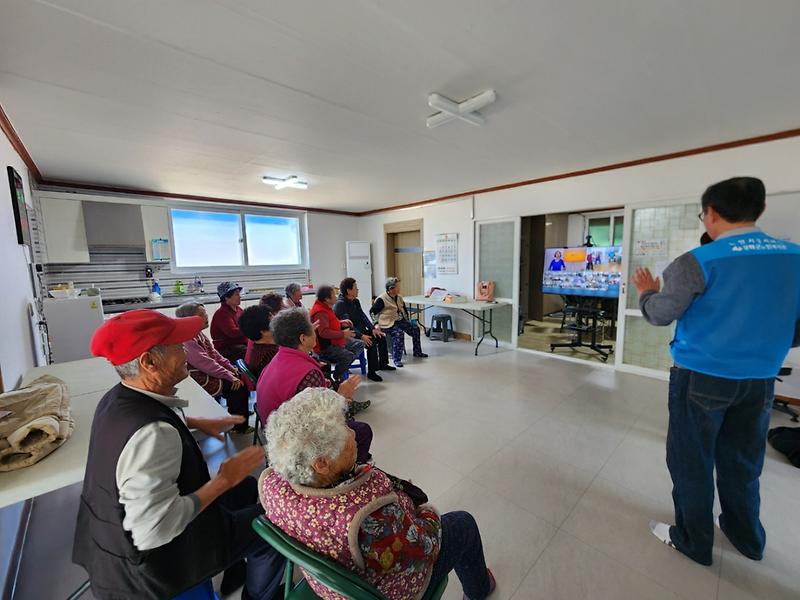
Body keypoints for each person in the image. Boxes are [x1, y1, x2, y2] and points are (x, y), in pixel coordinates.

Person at [632, 177, 800, 566]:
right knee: (742, 461)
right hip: (759, 380)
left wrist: (646, 291)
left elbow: (659, 314)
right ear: (757, 210)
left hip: (701, 377)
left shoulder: (697, 262)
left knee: (691, 460)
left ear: (710, 213)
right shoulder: (794, 256)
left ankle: (693, 539)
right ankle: (746, 538)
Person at [73, 309, 285, 600]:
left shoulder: (116, 399)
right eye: (176, 346)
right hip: (154, 564)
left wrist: (193, 423)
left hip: (111, 536)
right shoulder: (154, 434)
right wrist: (223, 480)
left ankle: (233, 564)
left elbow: (142, 432)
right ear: (149, 362)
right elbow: (156, 530)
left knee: (247, 488)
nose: (186, 351)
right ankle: (259, 595)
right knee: (274, 526)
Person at [260, 389, 496, 600]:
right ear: (321, 464)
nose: (353, 434)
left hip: (328, 585)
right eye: (344, 431)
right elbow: (425, 549)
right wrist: (427, 514)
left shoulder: (272, 486)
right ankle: (479, 590)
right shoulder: (369, 516)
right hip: (391, 590)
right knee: (463, 524)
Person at [256, 307, 372, 462]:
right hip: (295, 444)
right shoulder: (308, 373)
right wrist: (341, 396)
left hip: (275, 431)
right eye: (311, 327)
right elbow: (319, 422)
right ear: (303, 339)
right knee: (363, 431)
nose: (315, 329)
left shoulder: (277, 358)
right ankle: (348, 473)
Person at [176, 302, 252, 434]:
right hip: (199, 378)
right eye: (201, 314)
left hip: (207, 371)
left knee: (238, 374)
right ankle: (238, 426)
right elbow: (205, 363)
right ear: (188, 318)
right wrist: (229, 375)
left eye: (205, 313)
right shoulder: (187, 338)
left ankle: (238, 412)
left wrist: (230, 367)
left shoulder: (198, 333)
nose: (206, 317)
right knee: (238, 386)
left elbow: (214, 354)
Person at [334, 277, 394, 382]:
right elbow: (348, 325)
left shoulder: (356, 301)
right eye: (356, 288)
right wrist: (361, 336)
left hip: (361, 330)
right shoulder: (340, 304)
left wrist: (373, 328)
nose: (358, 290)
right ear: (348, 291)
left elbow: (363, 316)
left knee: (380, 336)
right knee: (371, 342)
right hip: (351, 334)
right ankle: (372, 372)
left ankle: (383, 364)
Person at [310, 285, 365, 381]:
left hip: (335, 339)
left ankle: (344, 365)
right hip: (326, 346)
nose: (336, 296)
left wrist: (341, 323)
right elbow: (323, 332)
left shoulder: (326, 307)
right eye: (333, 295)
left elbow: (329, 323)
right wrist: (343, 334)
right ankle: (337, 374)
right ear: (327, 299)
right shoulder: (320, 312)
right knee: (348, 356)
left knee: (360, 344)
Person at [371, 277, 428, 368]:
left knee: (415, 329)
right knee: (398, 333)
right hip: (386, 323)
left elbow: (404, 310)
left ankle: (417, 352)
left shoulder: (399, 297)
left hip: (399, 320)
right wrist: (375, 324)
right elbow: (372, 312)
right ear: (391, 289)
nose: (399, 289)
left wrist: (408, 321)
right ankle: (396, 359)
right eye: (397, 287)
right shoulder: (382, 299)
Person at [239, 304, 279, 380]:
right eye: (271, 317)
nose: (275, 318)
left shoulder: (258, 348)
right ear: (263, 331)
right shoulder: (270, 356)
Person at [210, 281, 248, 362]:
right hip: (227, 348)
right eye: (236, 294)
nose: (239, 297)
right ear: (226, 297)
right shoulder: (222, 313)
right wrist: (250, 328)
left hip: (240, 344)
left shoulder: (239, 310)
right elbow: (232, 332)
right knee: (250, 353)